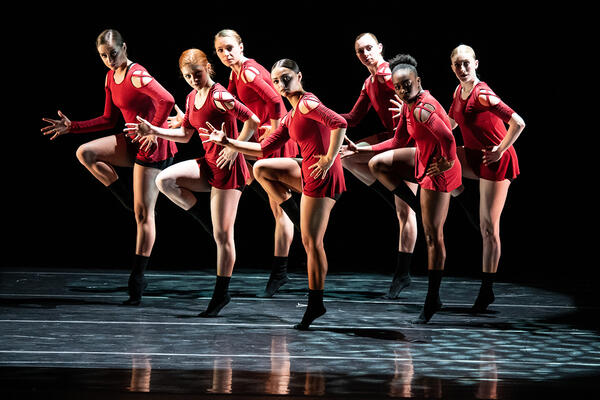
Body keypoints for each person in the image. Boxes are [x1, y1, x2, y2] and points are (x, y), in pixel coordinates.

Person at [201, 59, 347, 330]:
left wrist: (329, 158)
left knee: (312, 243)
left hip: (322, 176)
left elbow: (339, 122)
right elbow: (262, 149)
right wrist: (228, 142)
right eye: (276, 81)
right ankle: (296, 216)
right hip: (307, 170)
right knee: (262, 168)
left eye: (286, 78)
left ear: (299, 76)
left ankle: (316, 303)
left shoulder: (307, 102)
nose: (281, 84)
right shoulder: (291, 116)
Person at [41, 29, 178, 306]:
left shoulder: (137, 74)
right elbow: (108, 119)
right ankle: (128, 200)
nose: (109, 60)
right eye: (103, 56)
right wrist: (72, 127)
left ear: (124, 48)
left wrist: (154, 131)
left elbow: (168, 100)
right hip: (132, 140)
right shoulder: (110, 77)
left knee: (144, 216)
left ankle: (137, 279)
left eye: (113, 54)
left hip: (153, 146)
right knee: (86, 153)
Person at [124, 48, 260, 317]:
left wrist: (235, 147)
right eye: (187, 76)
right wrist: (154, 130)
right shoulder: (190, 97)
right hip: (208, 163)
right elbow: (185, 135)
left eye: (197, 74)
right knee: (165, 180)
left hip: (228, 170)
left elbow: (253, 120)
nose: (193, 80)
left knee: (224, 238)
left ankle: (221, 294)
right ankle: (205, 218)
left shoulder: (220, 95)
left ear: (207, 68)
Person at [344, 54, 461, 323]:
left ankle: (433, 298)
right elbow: (397, 141)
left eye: (407, 84)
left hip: (437, 171)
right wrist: (361, 149)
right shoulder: (409, 106)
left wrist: (447, 161)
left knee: (432, 237)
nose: (401, 90)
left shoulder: (422, 108)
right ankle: (415, 204)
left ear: (418, 81)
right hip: (422, 160)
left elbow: (448, 138)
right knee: (378, 163)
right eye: (397, 86)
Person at [214, 29, 299, 297]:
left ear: (241, 46)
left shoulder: (249, 71)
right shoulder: (235, 73)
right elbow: (228, 105)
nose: (226, 54)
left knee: (279, 208)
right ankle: (280, 269)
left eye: (230, 48)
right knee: (247, 173)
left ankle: (280, 271)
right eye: (220, 50)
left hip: (275, 142)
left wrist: (274, 132)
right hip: (263, 140)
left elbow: (276, 101)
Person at [339, 32, 418, 299]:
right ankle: (391, 189)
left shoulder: (388, 74)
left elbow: (416, 96)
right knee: (346, 156)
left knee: (405, 213)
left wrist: (408, 107)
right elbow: (353, 118)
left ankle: (403, 273)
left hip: (407, 140)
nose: (365, 54)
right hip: (390, 137)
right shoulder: (369, 81)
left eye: (369, 48)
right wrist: (321, 114)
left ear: (380, 48)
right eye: (360, 51)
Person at [448, 44, 525, 312]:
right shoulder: (458, 91)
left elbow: (518, 122)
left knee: (490, 229)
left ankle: (486, 290)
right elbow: (450, 124)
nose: (462, 68)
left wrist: (500, 150)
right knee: (438, 160)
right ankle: (468, 204)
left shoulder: (482, 94)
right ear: (452, 67)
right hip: (473, 156)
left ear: (476, 64)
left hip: (495, 161)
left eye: (466, 63)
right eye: (457, 64)